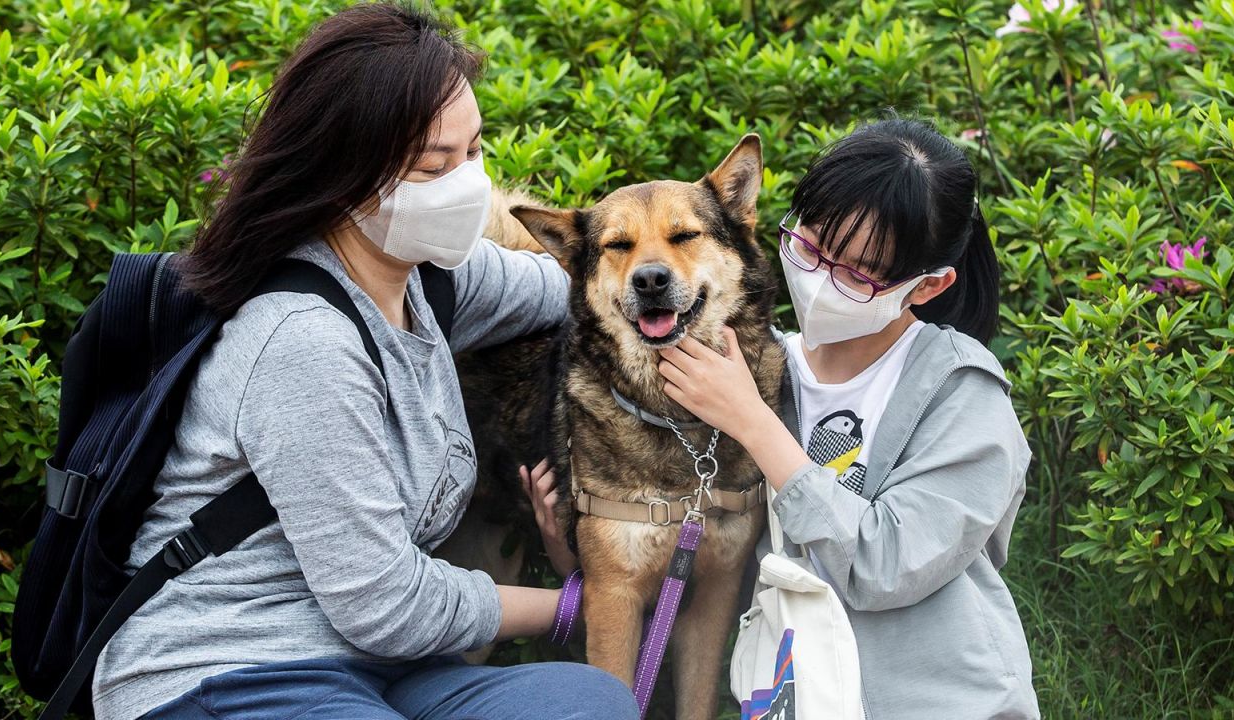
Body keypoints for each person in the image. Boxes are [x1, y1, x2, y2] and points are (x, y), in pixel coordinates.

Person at [90, 3, 637, 719]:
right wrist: (577, 603)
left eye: (474, 152)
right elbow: (385, 605)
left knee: (587, 703)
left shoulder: (428, 279)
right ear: (343, 178)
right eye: (435, 165)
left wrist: (725, 347)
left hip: (372, 672)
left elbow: (591, 288)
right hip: (226, 667)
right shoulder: (301, 342)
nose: (468, 184)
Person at [653, 118, 1041, 718]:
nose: (819, 278)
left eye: (858, 273)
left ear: (927, 285)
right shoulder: (754, 367)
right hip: (793, 694)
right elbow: (685, 547)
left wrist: (753, 423)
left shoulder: (963, 395)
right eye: (809, 245)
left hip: (937, 701)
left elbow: (884, 563)